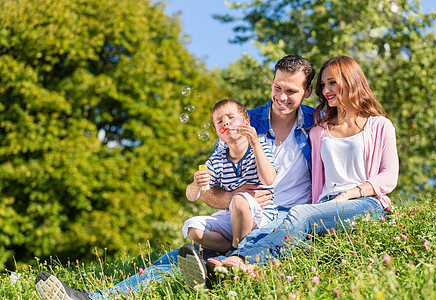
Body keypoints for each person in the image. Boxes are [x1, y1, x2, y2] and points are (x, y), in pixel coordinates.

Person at [35, 54, 316, 299]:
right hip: (241, 216)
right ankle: (94, 298)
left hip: (286, 219)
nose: (281, 97)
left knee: (215, 254)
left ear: (307, 91)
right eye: (276, 87)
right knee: (178, 256)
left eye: (291, 91)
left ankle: (220, 271)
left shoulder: (317, 124)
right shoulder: (241, 122)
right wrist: (234, 196)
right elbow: (209, 187)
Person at [202, 55, 399, 274]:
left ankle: (237, 260)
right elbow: (207, 185)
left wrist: (350, 193)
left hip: (362, 201)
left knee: (299, 215)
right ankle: (222, 267)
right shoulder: (319, 130)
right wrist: (228, 196)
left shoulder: (376, 125)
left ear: (306, 93)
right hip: (308, 206)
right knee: (190, 248)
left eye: (332, 82)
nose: (326, 90)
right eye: (324, 85)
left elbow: (389, 177)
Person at [179, 99, 278, 286]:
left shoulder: (261, 146)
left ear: (246, 124)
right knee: (193, 229)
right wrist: (195, 183)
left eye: (231, 117)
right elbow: (192, 196)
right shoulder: (217, 159)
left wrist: (255, 143)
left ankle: (234, 255)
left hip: (262, 215)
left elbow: (268, 179)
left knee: (240, 199)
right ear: (218, 132)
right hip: (234, 216)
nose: (225, 122)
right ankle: (230, 250)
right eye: (219, 121)